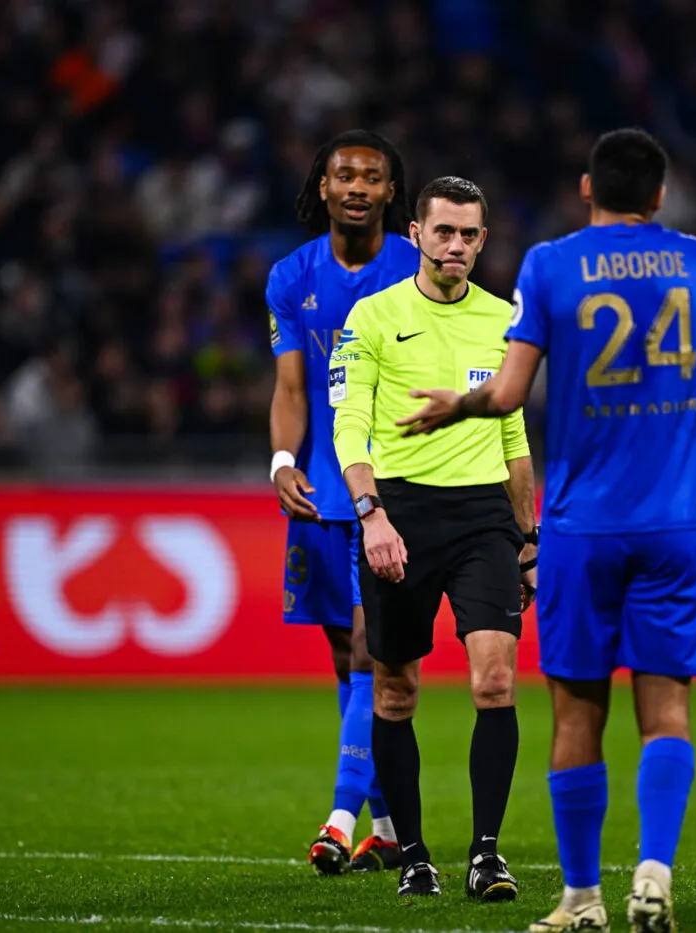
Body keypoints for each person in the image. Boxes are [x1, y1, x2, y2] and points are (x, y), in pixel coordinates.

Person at [399, 129, 696, 933]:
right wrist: (683, 439)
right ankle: (653, 873)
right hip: (673, 525)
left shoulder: (551, 264)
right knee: (668, 712)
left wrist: (459, 404)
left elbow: (510, 392)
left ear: (588, 188)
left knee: (578, 713)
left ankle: (582, 899)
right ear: (661, 193)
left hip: (583, 528)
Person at [330, 176, 536, 901]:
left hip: (483, 516)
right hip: (400, 515)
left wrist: (529, 534)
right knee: (395, 691)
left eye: (469, 234)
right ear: (414, 233)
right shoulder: (373, 316)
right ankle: (414, 853)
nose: (456, 245)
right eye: (443, 231)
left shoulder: (504, 316)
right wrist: (371, 513)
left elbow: (512, 434)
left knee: (495, 679)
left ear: (483, 239)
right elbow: (348, 424)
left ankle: (486, 853)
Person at [266, 130, 417, 875]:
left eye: (372, 176)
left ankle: (338, 815)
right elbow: (291, 387)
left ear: (392, 191)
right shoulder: (291, 278)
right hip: (320, 495)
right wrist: (284, 459)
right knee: (343, 658)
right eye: (344, 175)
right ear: (322, 188)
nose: (357, 186)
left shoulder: (418, 270)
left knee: (369, 649)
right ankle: (386, 824)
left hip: (394, 495)